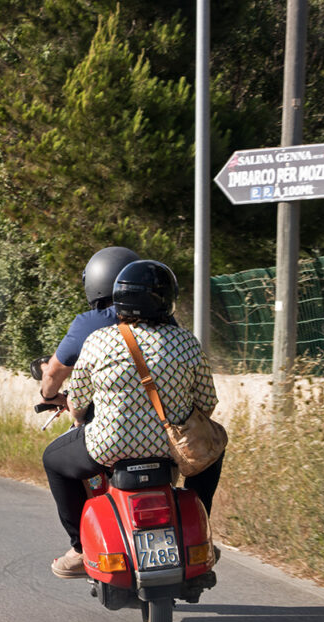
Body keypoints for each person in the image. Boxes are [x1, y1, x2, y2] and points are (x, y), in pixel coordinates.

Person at [42, 260, 223, 579]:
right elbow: (207, 403)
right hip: (172, 450)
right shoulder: (187, 343)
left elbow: (80, 403)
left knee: (53, 461)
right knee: (214, 450)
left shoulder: (98, 341)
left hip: (107, 449)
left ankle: (79, 549)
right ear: (168, 300)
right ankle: (201, 527)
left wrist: (85, 415)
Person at [38, 246, 141, 411]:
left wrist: (48, 397)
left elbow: (52, 374)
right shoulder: (165, 319)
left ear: (96, 279)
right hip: (170, 427)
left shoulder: (90, 324)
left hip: (115, 429)